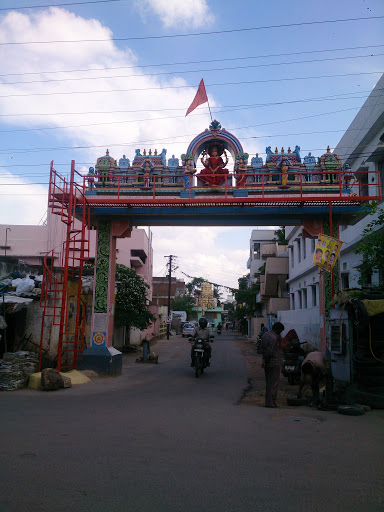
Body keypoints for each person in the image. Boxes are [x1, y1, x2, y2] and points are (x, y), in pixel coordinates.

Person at [260, 322, 285, 408]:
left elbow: (263, 349)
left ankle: (268, 402)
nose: (280, 332)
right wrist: (267, 360)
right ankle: (271, 402)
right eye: (280, 331)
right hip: (273, 363)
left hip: (267, 362)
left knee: (268, 383)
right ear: (277, 329)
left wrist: (265, 361)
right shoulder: (274, 338)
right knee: (274, 383)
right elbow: (270, 352)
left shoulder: (265, 335)